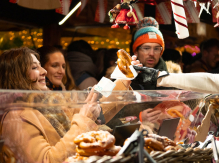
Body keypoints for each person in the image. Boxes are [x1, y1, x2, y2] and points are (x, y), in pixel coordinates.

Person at [0, 47, 101, 163]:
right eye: (34, 67)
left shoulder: (46, 105)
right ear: (17, 76)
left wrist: (122, 82)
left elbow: (94, 114)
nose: (44, 71)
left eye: (40, 66)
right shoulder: (17, 116)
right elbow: (46, 160)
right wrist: (85, 118)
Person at [130, 17, 169, 90]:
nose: (151, 53)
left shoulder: (172, 79)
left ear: (161, 52)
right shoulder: (121, 77)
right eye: (146, 48)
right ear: (136, 51)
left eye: (156, 49)